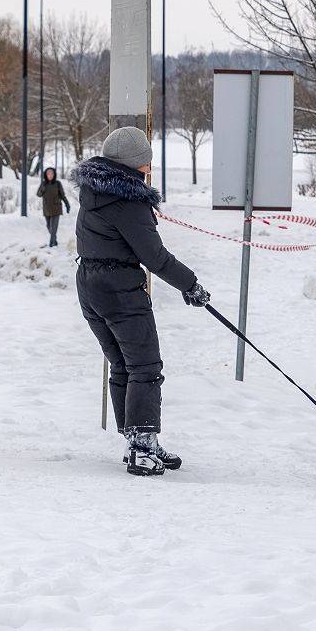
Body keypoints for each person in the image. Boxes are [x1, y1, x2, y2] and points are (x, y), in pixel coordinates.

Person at [72, 126, 211, 476]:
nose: (150, 166)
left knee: (122, 365)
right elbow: (154, 255)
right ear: (135, 163)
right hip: (119, 288)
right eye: (147, 160)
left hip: (89, 284)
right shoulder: (128, 200)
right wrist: (190, 284)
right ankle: (141, 444)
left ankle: (138, 440)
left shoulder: (94, 192)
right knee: (145, 367)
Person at [36, 166, 71, 248]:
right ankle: (54, 240)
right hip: (47, 209)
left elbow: (63, 195)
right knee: (49, 226)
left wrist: (67, 204)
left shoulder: (58, 184)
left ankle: (52, 244)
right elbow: (38, 194)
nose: (50, 175)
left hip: (56, 208)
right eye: (48, 173)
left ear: (54, 174)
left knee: (54, 228)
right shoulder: (43, 183)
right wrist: (42, 189)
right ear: (46, 175)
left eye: (51, 173)